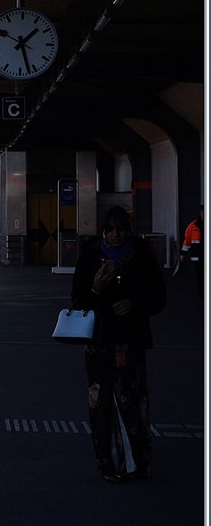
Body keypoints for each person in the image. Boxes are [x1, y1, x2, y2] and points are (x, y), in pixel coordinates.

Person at [71, 206, 166, 483]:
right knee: (100, 402)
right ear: (103, 229)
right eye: (111, 229)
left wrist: (134, 304)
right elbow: (77, 301)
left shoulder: (141, 255)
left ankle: (136, 462)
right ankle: (107, 463)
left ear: (129, 229)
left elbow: (159, 296)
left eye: (121, 229)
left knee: (132, 400)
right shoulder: (90, 255)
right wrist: (96, 287)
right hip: (99, 340)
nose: (116, 235)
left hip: (130, 340)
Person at [178, 205, 202, 273]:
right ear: (201, 212)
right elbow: (187, 241)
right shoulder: (192, 226)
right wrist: (183, 254)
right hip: (197, 257)